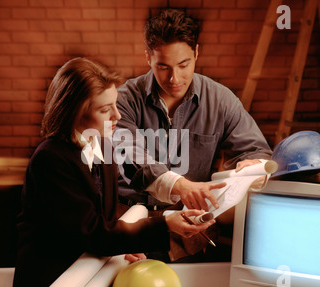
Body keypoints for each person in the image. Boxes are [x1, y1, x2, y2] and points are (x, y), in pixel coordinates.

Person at [12, 57, 214, 287]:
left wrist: (124, 248)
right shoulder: (51, 159)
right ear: (75, 113)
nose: (116, 115)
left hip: (93, 274)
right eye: (104, 109)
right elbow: (93, 233)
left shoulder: (104, 147)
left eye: (115, 104)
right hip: (55, 285)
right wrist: (167, 222)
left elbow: (102, 224)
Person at [115, 8, 272, 213]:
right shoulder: (122, 99)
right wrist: (180, 186)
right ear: (148, 58)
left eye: (183, 65)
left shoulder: (221, 100)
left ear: (196, 53)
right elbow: (128, 156)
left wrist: (256, 166)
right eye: (163, 67)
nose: (175, 79)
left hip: (189, 219)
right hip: (127, 217)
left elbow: (256, 151)